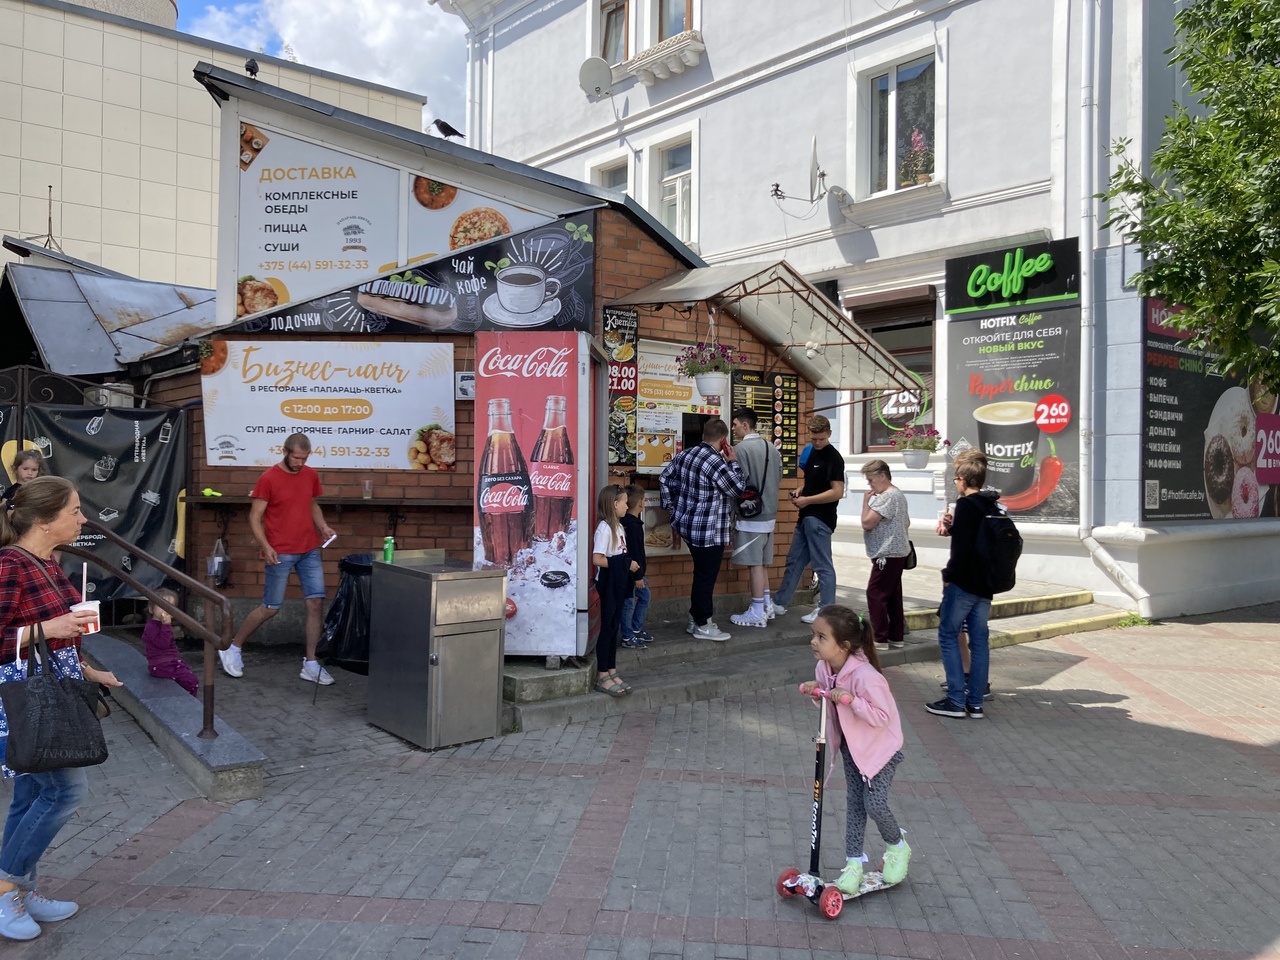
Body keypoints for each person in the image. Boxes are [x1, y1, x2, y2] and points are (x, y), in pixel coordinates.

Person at [0, 477, 122, 941]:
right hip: (17, 700)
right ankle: (6, 887)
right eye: (74, 511)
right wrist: (46, 627)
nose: (83, 518)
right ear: (46, 520)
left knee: (32, 795)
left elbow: (58, 637)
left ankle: (20, 890)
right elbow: (26, 634)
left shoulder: (47, 561)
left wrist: (89, 672)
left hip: (46, 691)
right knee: (65, 792)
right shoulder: (10, 565)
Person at [798, 605, 911, 894]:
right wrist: (817, 692)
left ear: (844, 646)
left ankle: (897, 846)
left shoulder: (865, 676)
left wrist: (852, 700)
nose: (814, 641)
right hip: (852, 749)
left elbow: (882, 717)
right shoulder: (824, 667)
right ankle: (854, 863)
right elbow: (829, 703)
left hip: (880, 751)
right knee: (855, 805)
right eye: (814, 635)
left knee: (874, 803)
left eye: (822, 637)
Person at [219, 433, 336, 685]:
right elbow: (254, 517)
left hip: (309, 549)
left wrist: (323, 527)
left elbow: (312, 504)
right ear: (285, 451)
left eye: (304, 458)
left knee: (316, 604)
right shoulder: (269, 478)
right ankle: (233, 647)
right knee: (270, 607)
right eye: (296, 457)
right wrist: (266, 546)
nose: (300, 463)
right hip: (280, 551)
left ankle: (311, 663)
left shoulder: (310, 475)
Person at [929, 449, 1001, 719]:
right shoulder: (992, 504)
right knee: (980, 640)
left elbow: (962, 551)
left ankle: (956, 701)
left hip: (964, 584)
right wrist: (953, 526)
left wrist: (948, 576)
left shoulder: (967, 506)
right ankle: (976, 700)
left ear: (962, 479)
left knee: (948, 634)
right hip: (986, 584)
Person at [658, 419, 745, 643]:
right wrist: (733, 462)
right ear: (723, 439)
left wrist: (671, 506)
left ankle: (694, 619)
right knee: (705, 578)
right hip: (709, 530)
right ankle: (702, 623)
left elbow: (664, 478)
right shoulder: (716, 461)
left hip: (688, 526)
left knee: (701, 575)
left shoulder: (686, 454)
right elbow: (736, 488)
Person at [771, 415, 845, 624]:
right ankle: (779, 603)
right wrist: (801, 490)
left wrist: (808, 500)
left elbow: (837, 491)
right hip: (806, 516)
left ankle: (826, 610)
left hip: (821, 517)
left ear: (829, 434)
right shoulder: (811, 452)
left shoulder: (834, 457)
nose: (816, 443)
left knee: (822, 565)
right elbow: (815, 482)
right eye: (813, 439)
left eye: (820, 439)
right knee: (794, 561)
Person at [728, 408, 782, 628]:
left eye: (735, 424)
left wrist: (730, 462)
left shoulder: (741, 450)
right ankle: (766, 605)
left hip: (751, 516)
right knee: (763, 563)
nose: (733, 428)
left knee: (755, 566)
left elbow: (737, 482)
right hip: (769, 512)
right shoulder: (772, 448)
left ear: (745, 425)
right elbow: (777, 476)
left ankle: (757, 611)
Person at [860, 460, 912, 650]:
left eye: (871, 480)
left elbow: (867, 523)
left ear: (883, 476)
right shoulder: (899, 494)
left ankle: (879, 638)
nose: (870, 485)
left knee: (875, 594)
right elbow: (907, 522)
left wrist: (866, 502)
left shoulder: (887, 497)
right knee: (893, 596)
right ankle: (896, 636)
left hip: (886, 553)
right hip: (897, 553)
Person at [592, 484, 638, 697]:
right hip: (608, 582)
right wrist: (625, 563)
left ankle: (612, 670)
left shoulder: (619, 527)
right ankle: (602, 675)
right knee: (608, 628)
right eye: (624, 502)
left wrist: (625, 564)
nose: (627, 506)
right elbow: (598, 559)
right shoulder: (604, 528)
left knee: (615, 625)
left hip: (619, 581)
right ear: (614, 504)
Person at [143, 588, 198, 698]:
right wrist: (166, 626)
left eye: (170, 607)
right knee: (190, 680)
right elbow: (162, 643)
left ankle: (185, 697)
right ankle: (186, 699)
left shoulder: (163, 625)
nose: (165, 610)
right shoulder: (151, 627)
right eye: (161, 606)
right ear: (151, 609)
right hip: (159, 664)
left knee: (187, 676)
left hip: (169, 661)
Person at [619, 484, 651, 649]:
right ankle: (628, 634)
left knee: (643, 597)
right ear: (639, 503)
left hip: (634, 573)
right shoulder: (632, 526)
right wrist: (638, 576)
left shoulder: (632, 523)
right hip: (632, 574)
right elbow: (634, 553)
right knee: (629, 603)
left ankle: (635, 629)